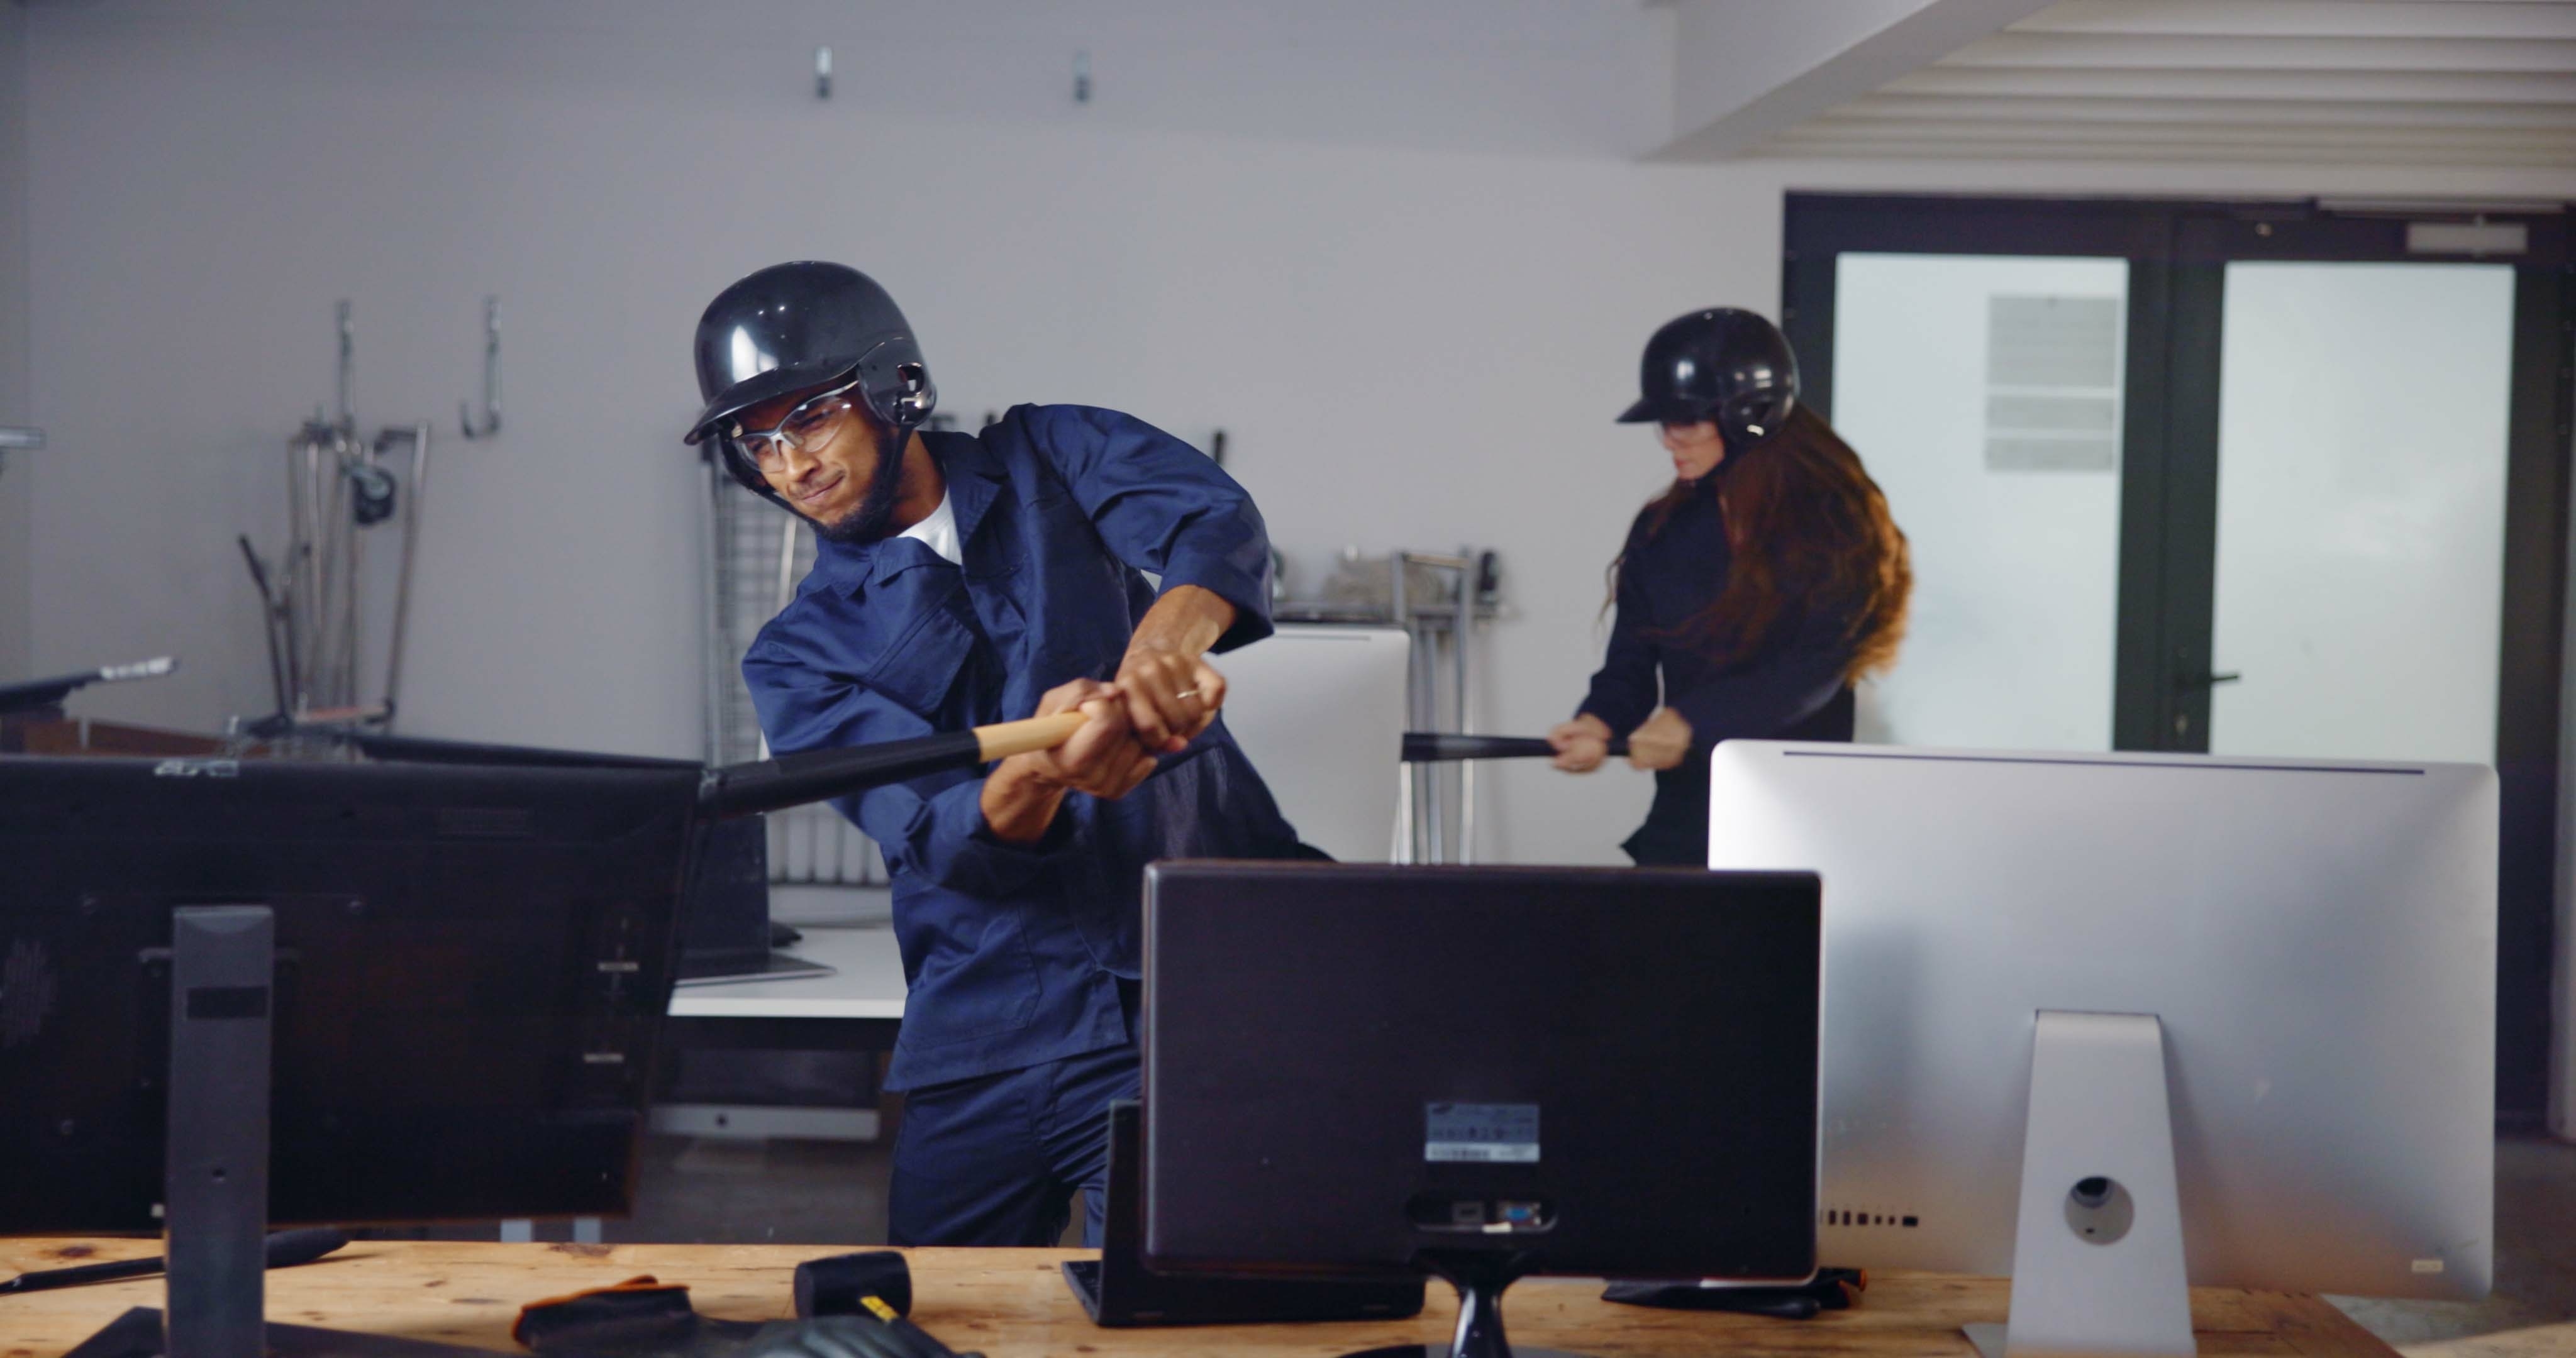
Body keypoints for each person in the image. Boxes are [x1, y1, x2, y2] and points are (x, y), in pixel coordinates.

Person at [684, 262, 1310, 1247]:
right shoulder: (798, 656)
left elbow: (1211, 522)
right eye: (756, 444)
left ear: (896, 391)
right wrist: (1050, 770)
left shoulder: (1052, 454)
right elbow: (943, 836)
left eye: (809, 419)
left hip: (1181, 1009)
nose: (789, 466)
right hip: (985, 1036)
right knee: (918, 1320)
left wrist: (1160, 652)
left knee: (1174, 1310)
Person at [1548, 308, 1911, 866]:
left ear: (1751, 415)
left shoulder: (1835, 525)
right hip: (1688, 818)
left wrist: (1692, 721)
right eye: (1664, 423)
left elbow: (1812, 669)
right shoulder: (1662, 530)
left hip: (1797, 819)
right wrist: (1598, 721)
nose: (1670, 441)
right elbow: (1632, 662)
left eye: (1687, 422)